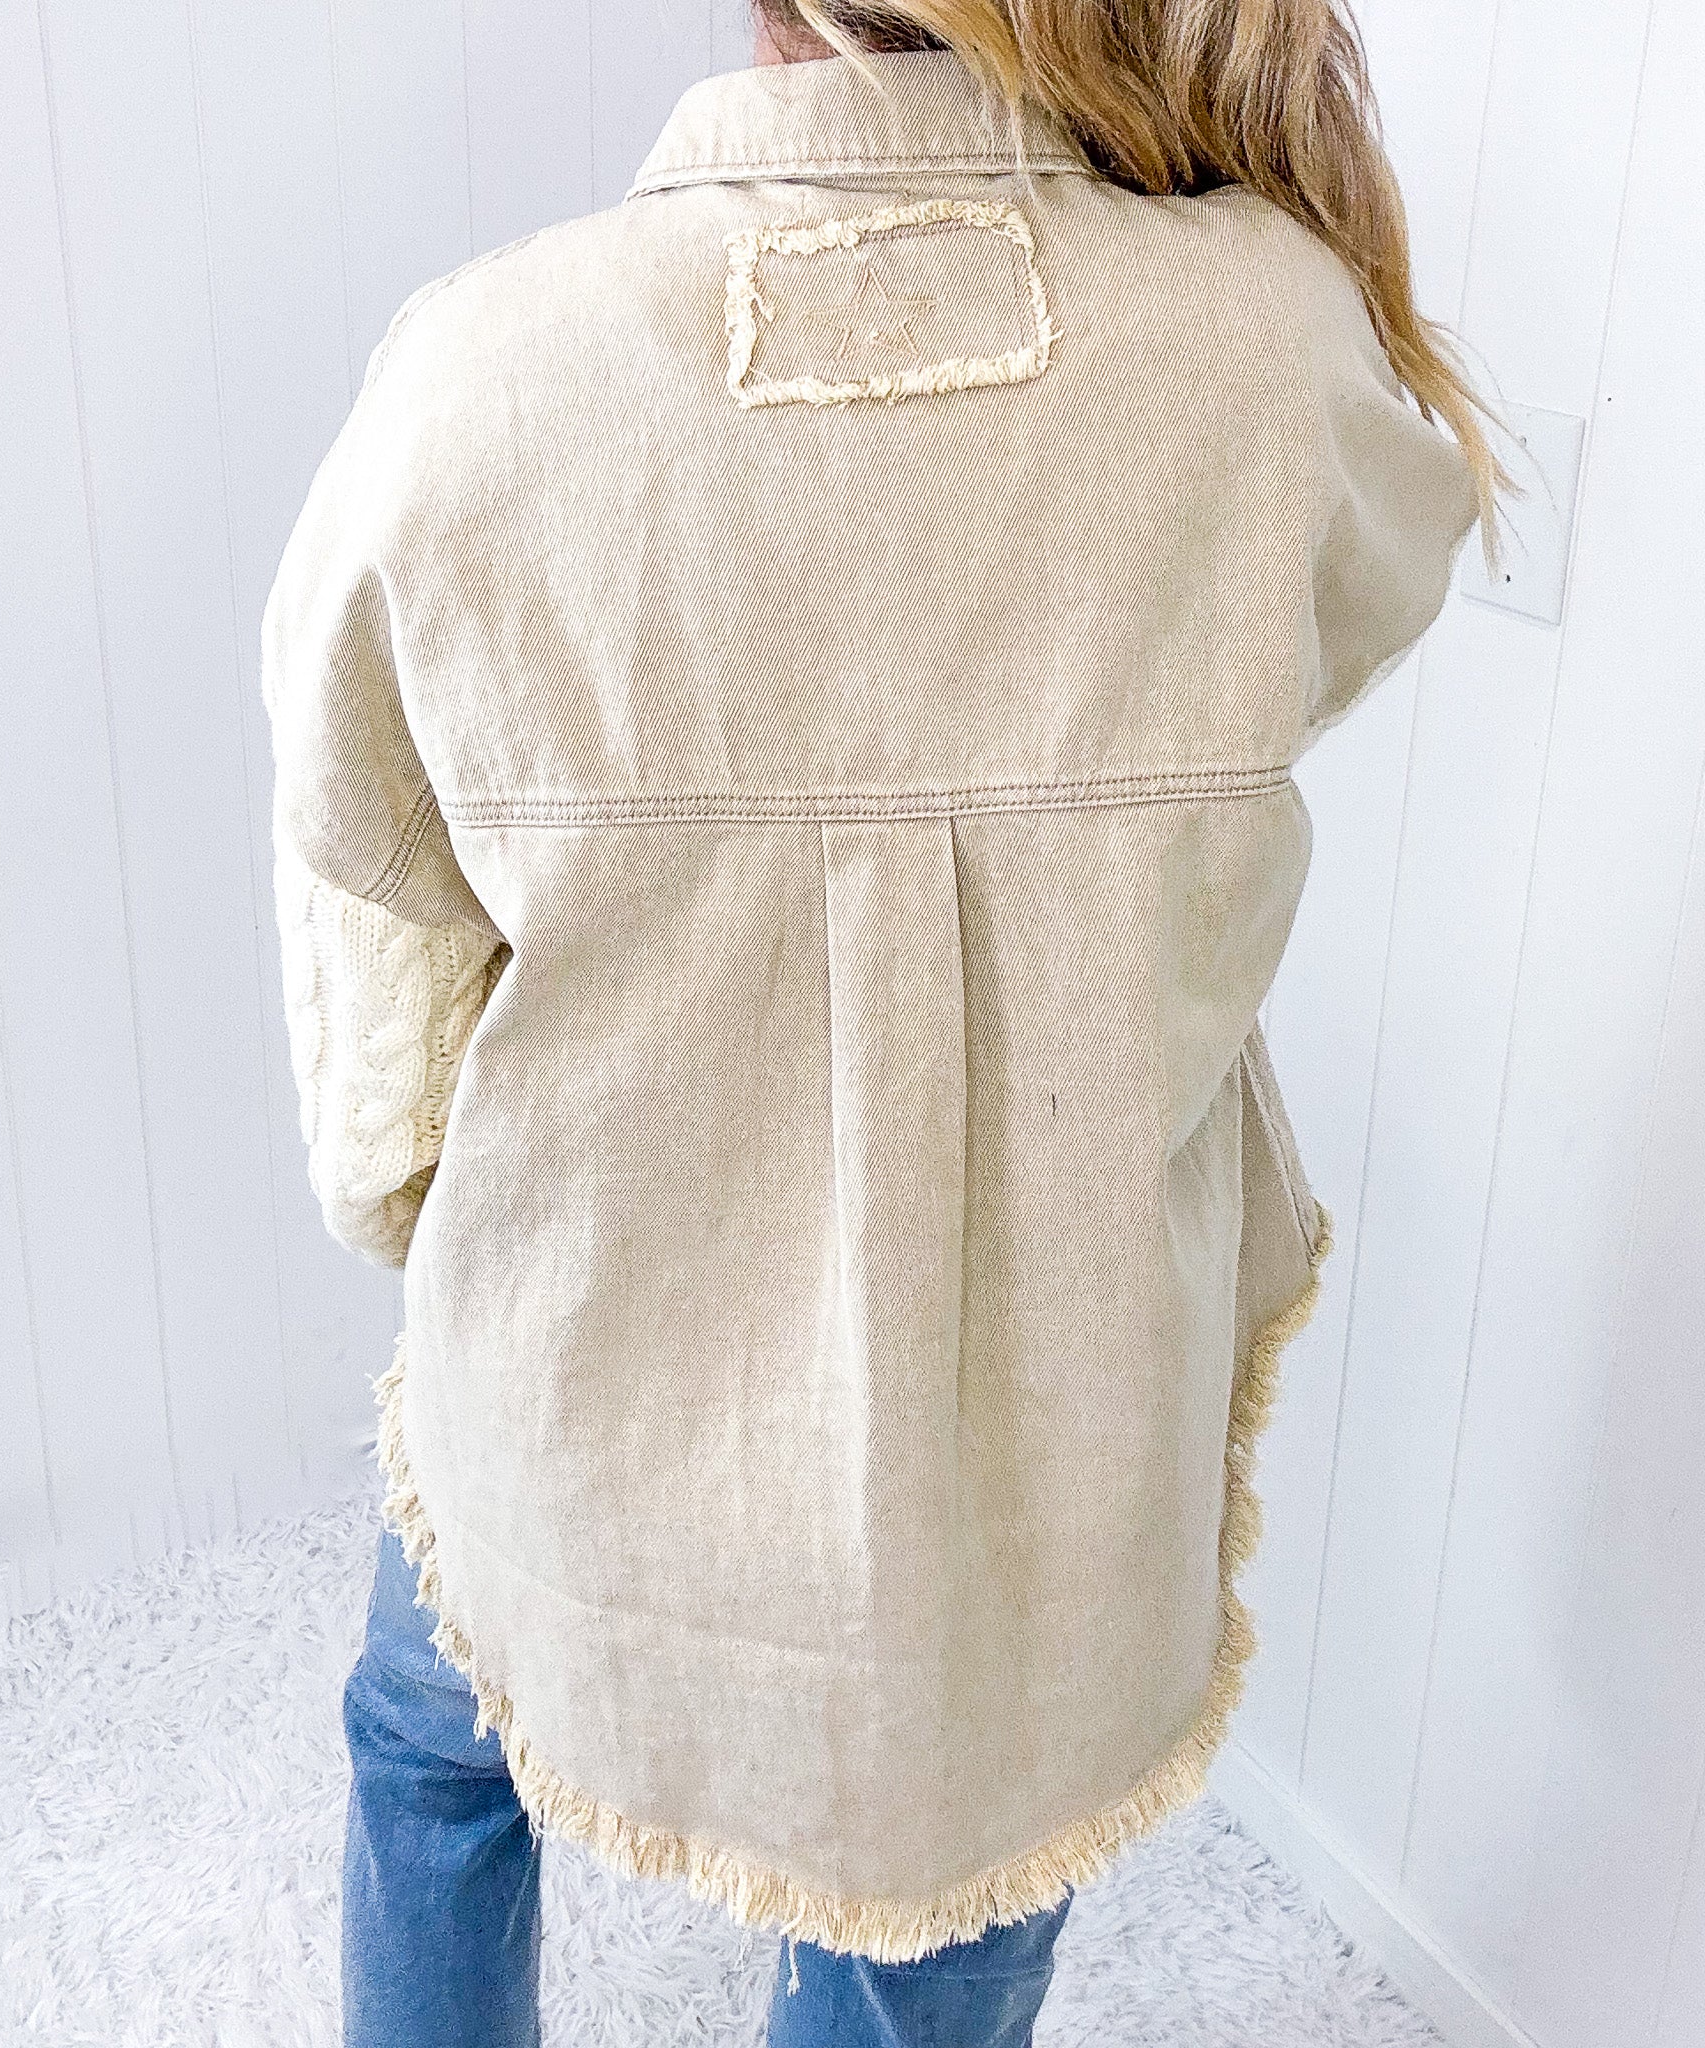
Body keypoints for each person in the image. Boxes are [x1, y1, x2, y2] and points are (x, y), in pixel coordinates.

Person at [262, 3, 1510, 2042]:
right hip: (1050, 1400)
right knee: (946, 1881)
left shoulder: (482, 366)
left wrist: (407, 1203)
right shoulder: (1274, 344)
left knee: (432, 1736)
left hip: (577, 1342)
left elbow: (368, 884)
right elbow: (1352, 608)